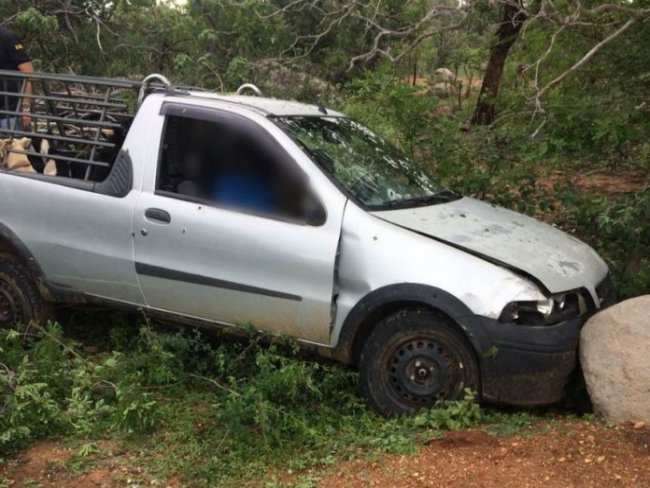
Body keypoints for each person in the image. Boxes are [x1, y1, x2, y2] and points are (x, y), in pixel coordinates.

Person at [0, 26, 33, 132]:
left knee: (17, 145)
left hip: (11, 111)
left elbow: (29, 73)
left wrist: (26, 108)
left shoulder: (7, 37)